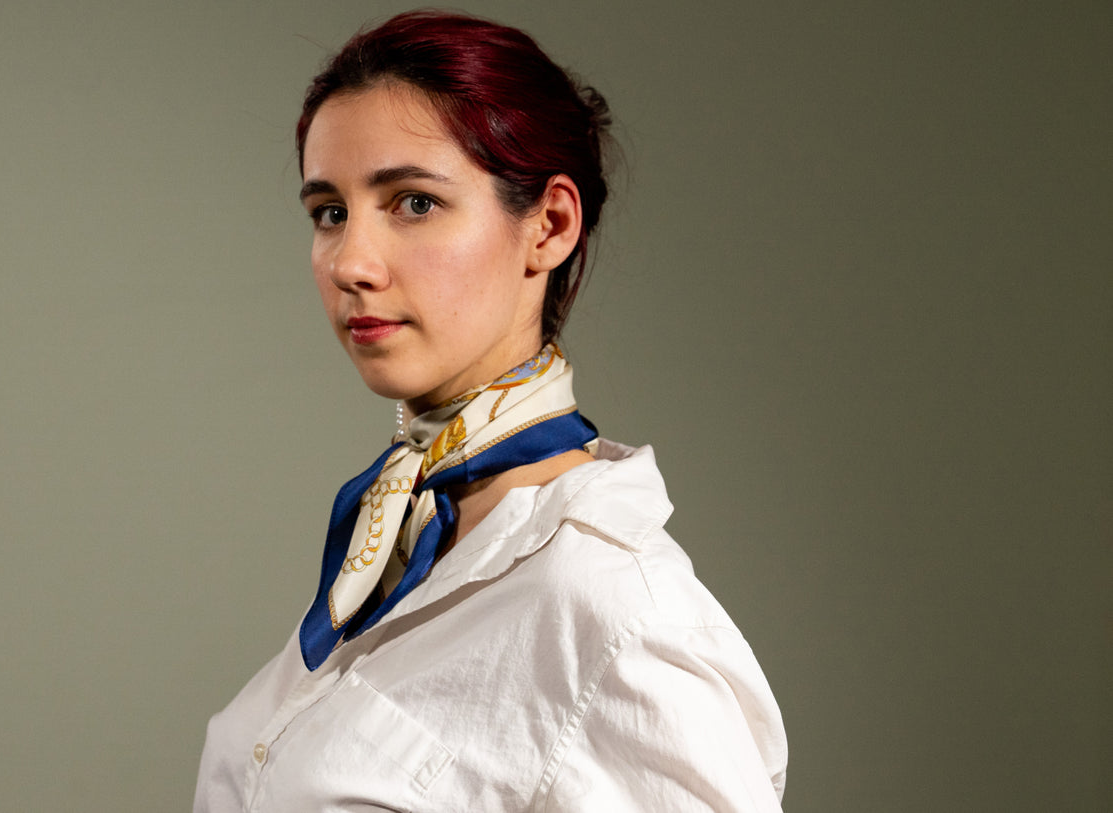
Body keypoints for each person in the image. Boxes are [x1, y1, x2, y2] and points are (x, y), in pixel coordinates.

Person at [194, 10, 787, 811]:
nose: (350, 263)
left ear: (549, 225)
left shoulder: (614, 613)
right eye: (329, 211)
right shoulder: (394, 545)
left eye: (413, 202)